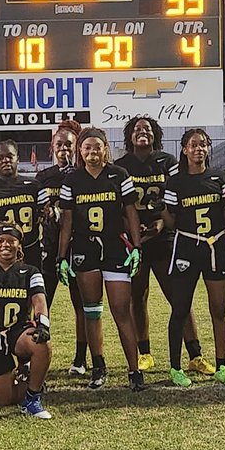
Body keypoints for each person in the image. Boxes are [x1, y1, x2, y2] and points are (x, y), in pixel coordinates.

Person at [115, 115, 209, 374]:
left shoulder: (168, 162)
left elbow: (177, 195)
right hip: (134, 239)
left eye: (146, 128)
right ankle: (144, 352)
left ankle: (195, 354)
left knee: (180, 298)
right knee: (138, 296)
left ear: (155, 133)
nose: (142, 132)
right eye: (137, 129)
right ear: (130, 136)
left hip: (164, 236)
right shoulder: (121, 165)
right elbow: (119, 205)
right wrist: (132, 231)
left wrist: (160, 223)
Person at [57, 127, 145, 391]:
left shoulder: (119, 175)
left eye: (97, 147)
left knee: (122, 311)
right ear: (80, 152)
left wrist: (137, 247)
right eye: (87, 148)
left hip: (114, 246)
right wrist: (62, 256)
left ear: (106, 148)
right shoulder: (73, 180)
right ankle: (98, 367)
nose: (92, 152)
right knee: (92, 310)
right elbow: (67, 222)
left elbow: (130, 213)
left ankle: (134, 369)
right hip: (85, 247)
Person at [161, 129, 225, 387]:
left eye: (203, 144)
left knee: (219, 309)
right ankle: (175, 367)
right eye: (193, 145)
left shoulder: (219, 178)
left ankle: (222, 366)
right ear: (184, 149)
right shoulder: (175, 182)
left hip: (215, 245)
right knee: (180, 309)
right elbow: (171, 220)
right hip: (186, 245)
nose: (199, 149)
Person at [0, 223, 53, 419]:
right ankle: (28, 377)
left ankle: (33, 397)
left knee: (41, 343)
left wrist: (42, 324)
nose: (6, 245)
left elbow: (39, 300)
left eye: (11, 241)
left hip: (17, 331)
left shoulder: (30, 271)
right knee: (3, 400)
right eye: (1, 241)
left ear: (19, 245)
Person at [35, 119, 88, 375]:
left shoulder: (83, 176)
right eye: (59, 144)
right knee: (43, 304)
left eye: (69, 144)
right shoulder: (43, 176)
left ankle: (80, 358)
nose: (64, 149)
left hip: (78, 246)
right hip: (50, 247)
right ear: (51, 147)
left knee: (82, 305)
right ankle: (37, 356)